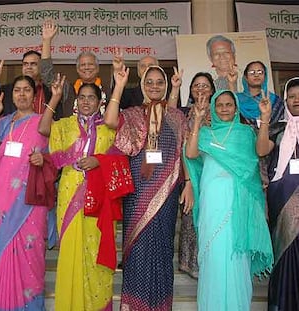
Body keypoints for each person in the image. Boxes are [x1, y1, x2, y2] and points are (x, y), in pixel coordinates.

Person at [39, 78, 132, 310]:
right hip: (70, 194)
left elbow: (122, 159)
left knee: (96, 252)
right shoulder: (64, 125)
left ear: (100, 101)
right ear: (76, 101)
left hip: (99, 198)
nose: (87, 101)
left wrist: (98, 161)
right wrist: (56, 97)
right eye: (82, 97)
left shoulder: (109, 128)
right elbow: (43, 129)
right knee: (71, 251)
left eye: (92, 97)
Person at [104, 65, 192, 310]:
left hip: (167, 189)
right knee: (137, 246)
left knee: (162, 247)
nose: (154, 86)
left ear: (166, 86)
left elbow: (183, 153)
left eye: (159, 82)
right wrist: (119, 86)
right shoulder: (132, 114)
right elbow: (110, 121)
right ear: (142, 85)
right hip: (138, 190)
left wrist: (188, 183)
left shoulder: (176, 117)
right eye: (149, 82)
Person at [185, 89, 273, 311]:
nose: (224, 109)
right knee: (213, 255)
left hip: (237, 204)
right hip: (211, 203)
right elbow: (191, 154)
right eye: (220, 105)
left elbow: (262, 150)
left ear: (236, 108)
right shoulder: (206, 133)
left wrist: (265, 119)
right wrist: (196, 122)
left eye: (229, 105)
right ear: (213, 108)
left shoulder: (245, 133)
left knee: (236, 256)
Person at [0, 75, 59, 311]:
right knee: (6, 257)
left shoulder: (44, 122)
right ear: (12, 96)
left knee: (31, 258)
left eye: (26, 90)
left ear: (35, 95)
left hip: (31, 201)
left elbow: (57, 156)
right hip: (4, 198)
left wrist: (42, 158)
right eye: (17, 90)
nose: (22, 94)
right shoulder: (3, 123)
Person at [256, 77, 299, 311]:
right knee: (285, 255)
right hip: (281, 202)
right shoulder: (279, 128)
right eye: (291, 96)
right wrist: (265, 119)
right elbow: (262, 150)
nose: (296, 100)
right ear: (285, 100)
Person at [178, 72, 216, 279]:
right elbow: (182, 148)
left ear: (212, 90)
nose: (200, 89)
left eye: (205, 85)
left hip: (214, 173)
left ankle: (210, 261)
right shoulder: (183, 115)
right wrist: (189, 181)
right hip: (189, 172)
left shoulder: (220, 113)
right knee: (190, 215)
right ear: (191, 90)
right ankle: (189, 262)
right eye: (196, 85)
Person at [112, 52, 182, 110]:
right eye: (143, 66)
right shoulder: (130, 94)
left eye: (150, 65)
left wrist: (175, 88)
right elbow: (115, 108)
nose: (147, 68)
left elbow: (173, 117)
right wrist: (118, 74)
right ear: (138, 72)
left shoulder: (169, 93)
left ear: (158, 69)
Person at [40, 19, 76, 117]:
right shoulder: (67, 88)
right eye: (83, 65)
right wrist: (46, 41)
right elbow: (46, 73)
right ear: (77, 68)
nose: (87, 68)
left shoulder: (105, 90)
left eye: (90, 64)